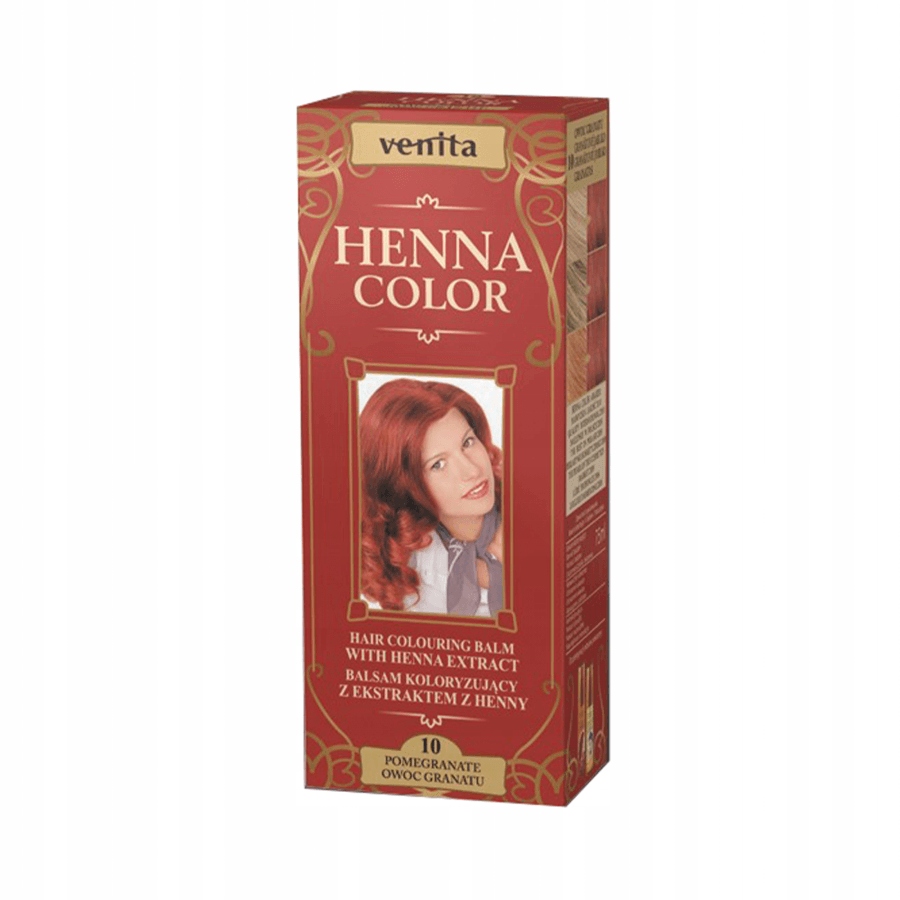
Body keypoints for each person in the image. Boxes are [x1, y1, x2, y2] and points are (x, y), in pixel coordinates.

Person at [359, 378, 504, 617]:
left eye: (468, 442)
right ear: (403, 485)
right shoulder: (407, 564)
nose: (472, 471)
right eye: (438, 464)